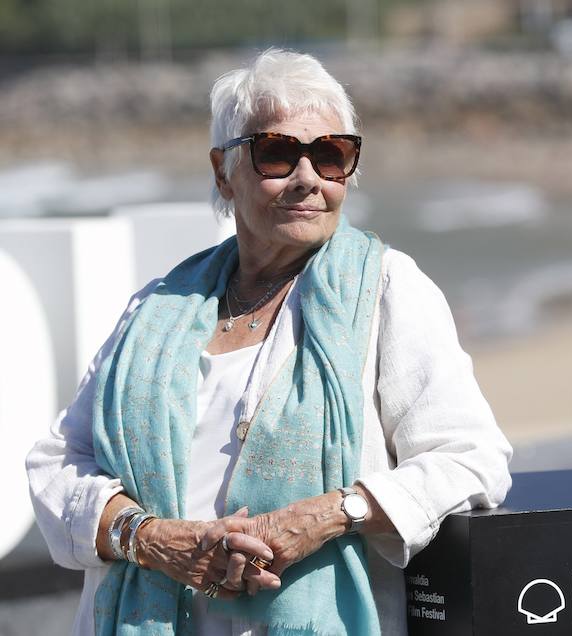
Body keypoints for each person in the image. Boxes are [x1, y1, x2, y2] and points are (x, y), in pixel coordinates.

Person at [26, 48, 512, 635]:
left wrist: (332, 514)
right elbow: (59, 463)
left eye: (331, 156)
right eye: (277, 154)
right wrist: (152, 540)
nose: (307, 179)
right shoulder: (159, 307)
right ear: (220, 172)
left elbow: (470, 459)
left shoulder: (386, 291)